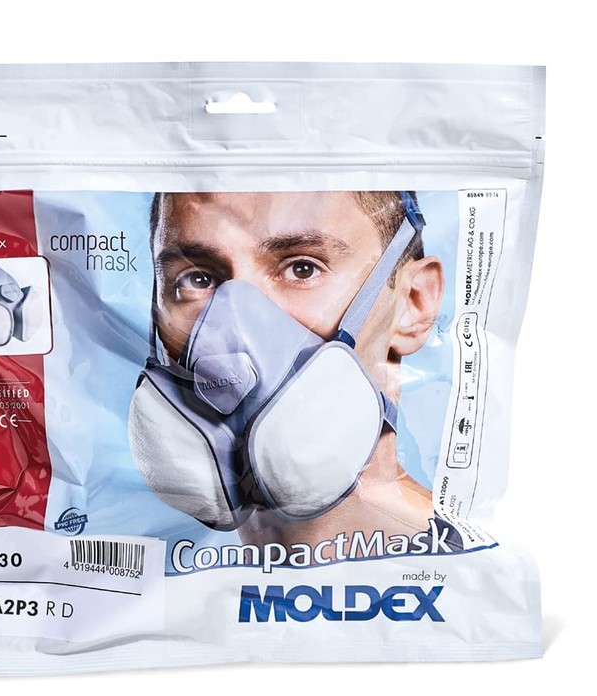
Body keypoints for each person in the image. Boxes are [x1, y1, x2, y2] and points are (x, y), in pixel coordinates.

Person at [147, 190, 460, 558]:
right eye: (197, 279)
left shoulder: (474, 581)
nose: (238, 328)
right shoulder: (153, 589)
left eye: (302, 269)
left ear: (414, 301)